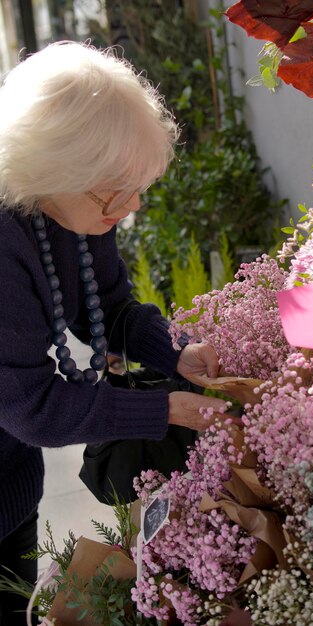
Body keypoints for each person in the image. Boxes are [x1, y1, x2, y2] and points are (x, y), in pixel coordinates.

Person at [0, 41, 229, 625]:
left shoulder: (75, 206)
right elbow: (32, 406)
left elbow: (108, 305)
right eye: (113, 191)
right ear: (55, 167)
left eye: (135, 188)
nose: (127, 207)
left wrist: (175, 354)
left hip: (10, 484)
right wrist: (164, 409)